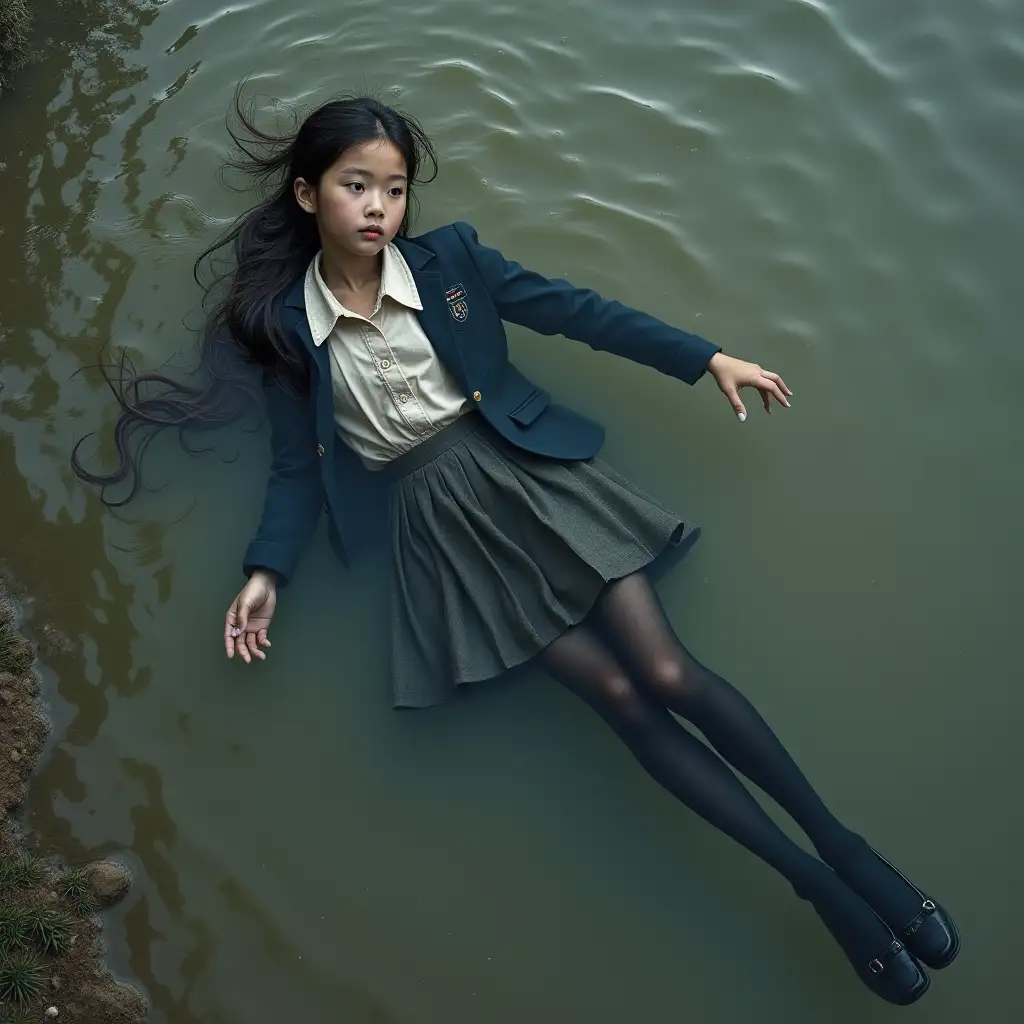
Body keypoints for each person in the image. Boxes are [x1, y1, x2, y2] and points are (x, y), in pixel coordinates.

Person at [76, 90, 958, 1005]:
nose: (379, 206)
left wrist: (706, 358)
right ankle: (810, 884)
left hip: (532, 476)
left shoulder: (451, 263)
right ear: (308, 196)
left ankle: (844, 847)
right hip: (445, 533)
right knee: (620, 699)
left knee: (665, 672)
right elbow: (296, 469)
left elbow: (576, 311)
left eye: (395, 187)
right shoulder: (284, 331)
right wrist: (265, 574)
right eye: (356, 186)